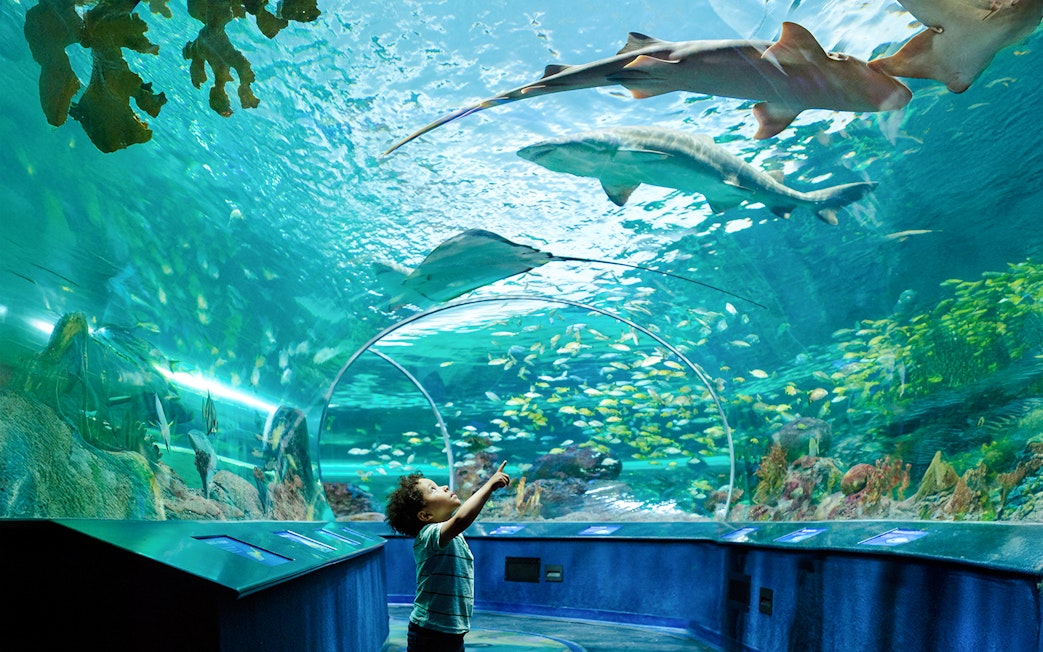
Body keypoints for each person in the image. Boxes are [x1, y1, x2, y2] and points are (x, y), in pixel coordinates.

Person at [385, 460, 511, 652]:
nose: (444, 487)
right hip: (430, 632)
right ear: (425, 515)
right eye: (433, 489)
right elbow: (462, 518)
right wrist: (489, 486)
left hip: (451, 631)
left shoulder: (450, 535)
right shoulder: (428, 535)